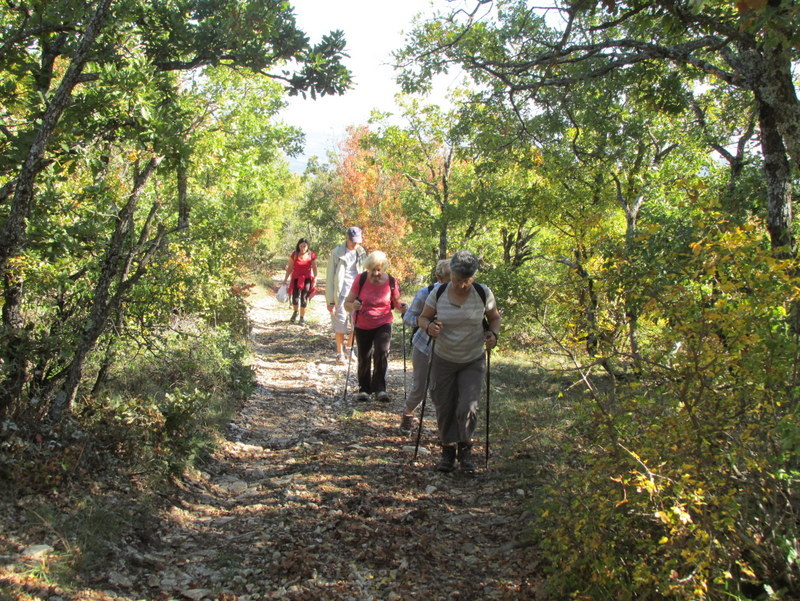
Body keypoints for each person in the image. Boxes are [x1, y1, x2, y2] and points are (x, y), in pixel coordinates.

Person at [416, 250, 500, 474]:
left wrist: (493, 334)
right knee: (444, 405)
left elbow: (494, 319)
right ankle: (447, 449)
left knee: (468, 406)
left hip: (472, 359)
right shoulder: (440, 292)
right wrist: (429, 327)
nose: (460, 285)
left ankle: (465, 446)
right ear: (450, 273)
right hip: (443, 357)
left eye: (465, 280)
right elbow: (422, 318)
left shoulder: (483, 293)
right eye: (456, 279)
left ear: (473, 277)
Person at [343, 251, 406, 402]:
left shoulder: (391, 281)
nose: (376, 273)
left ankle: (380, 389)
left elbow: (397, 301)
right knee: (364, 356)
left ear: (383, 268)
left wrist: (403, 307)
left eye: (379, 270)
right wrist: (354, 306)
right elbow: (347, 304)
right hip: (363, 323)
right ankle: (364, 389)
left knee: (382, 352)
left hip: (383, 322)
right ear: (367, 268)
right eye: (372, 270)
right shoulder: (361, 279)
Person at [399, 258, 451, 432]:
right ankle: (408, 414)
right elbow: (408, 318)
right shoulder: (426, 292)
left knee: (444, 389)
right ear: (441, 277)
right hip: (424, 346)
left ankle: (445, 427)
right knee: (420, 387)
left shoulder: (462, 295)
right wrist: (427, 324)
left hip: (450, 348)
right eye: (450, 277)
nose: (455, 281)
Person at [326, 227, 367, 363]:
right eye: (352, 241)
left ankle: (350, 348)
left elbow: (365, 273)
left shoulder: (361, 252)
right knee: (340, 324)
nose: (354, 244)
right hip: (341, 293)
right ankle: (340, 353)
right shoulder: (336, 253)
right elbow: (330, 278)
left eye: (357, 241)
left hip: (357, 293)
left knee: (357, 324)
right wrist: (330, 301)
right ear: (346, 238)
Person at [282, 238, 317, 325]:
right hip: (296, 278)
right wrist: (285, 279)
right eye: (301, 246)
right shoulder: (294, 254)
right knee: (295, 297)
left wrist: (315, 278)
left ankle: (302, 318)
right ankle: (295, 312)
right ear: (298, 246)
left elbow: (315, 267)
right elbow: (290, 267)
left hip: (307, 278)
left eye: (304, 246)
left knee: (304, 297)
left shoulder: (311, 255)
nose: (303, 248)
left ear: (307, 246)